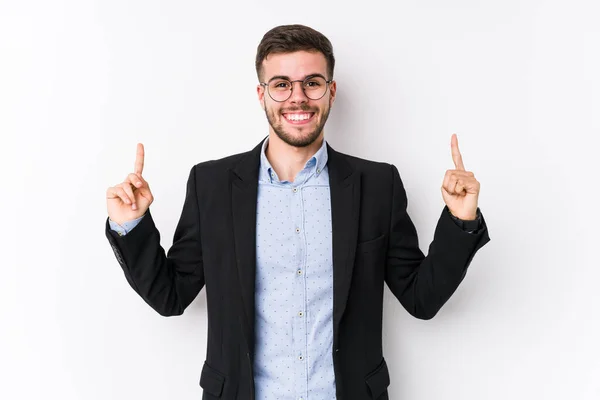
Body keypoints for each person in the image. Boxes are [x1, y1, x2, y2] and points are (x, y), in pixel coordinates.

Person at [105, 24, 490, 400]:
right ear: (262, 94)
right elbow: (171, 296)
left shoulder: (377, 185)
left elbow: (421, 298)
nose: (298, 98)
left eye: (312, 82)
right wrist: (131, 225)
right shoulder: (212, 184)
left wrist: (461, 221)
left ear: (331, 91)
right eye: (282, 84)